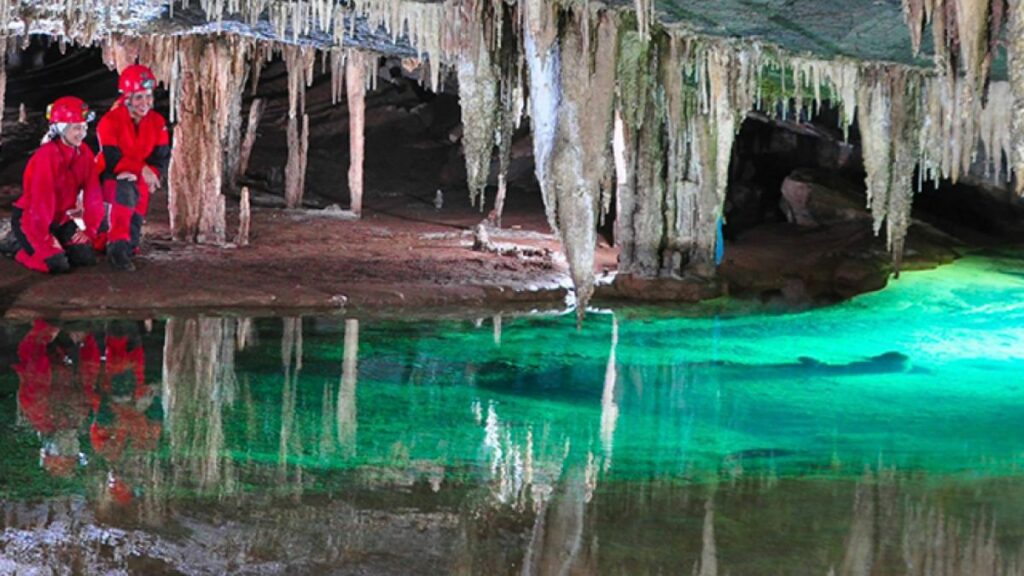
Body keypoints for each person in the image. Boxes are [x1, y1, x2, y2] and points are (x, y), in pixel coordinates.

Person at [0, 96, 103, 273]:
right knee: (56, 264)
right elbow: (41, 202)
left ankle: (52, 243)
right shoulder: (46, 157)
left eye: (84, 127)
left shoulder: (84, 153)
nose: (82, 133)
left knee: (85, 256)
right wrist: (45, 237)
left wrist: (90, 229)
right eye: (76, 128)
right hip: (32, 220)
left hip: (60, 220)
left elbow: (93, 193)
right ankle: (16, 247)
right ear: (62, 129)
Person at [95, 64, 170, 271]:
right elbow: (112, 158)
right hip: (107, 179)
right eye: (138, 97)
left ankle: (120, 243)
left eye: (148, 97)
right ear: (127, 98)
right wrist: (142, 170)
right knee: (126, 187)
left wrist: (152, 174)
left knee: (133, 240)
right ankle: (116, 247)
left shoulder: (157, 122)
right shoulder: (109, 121)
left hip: (138, 180)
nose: (144, 103)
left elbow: (160, 157)